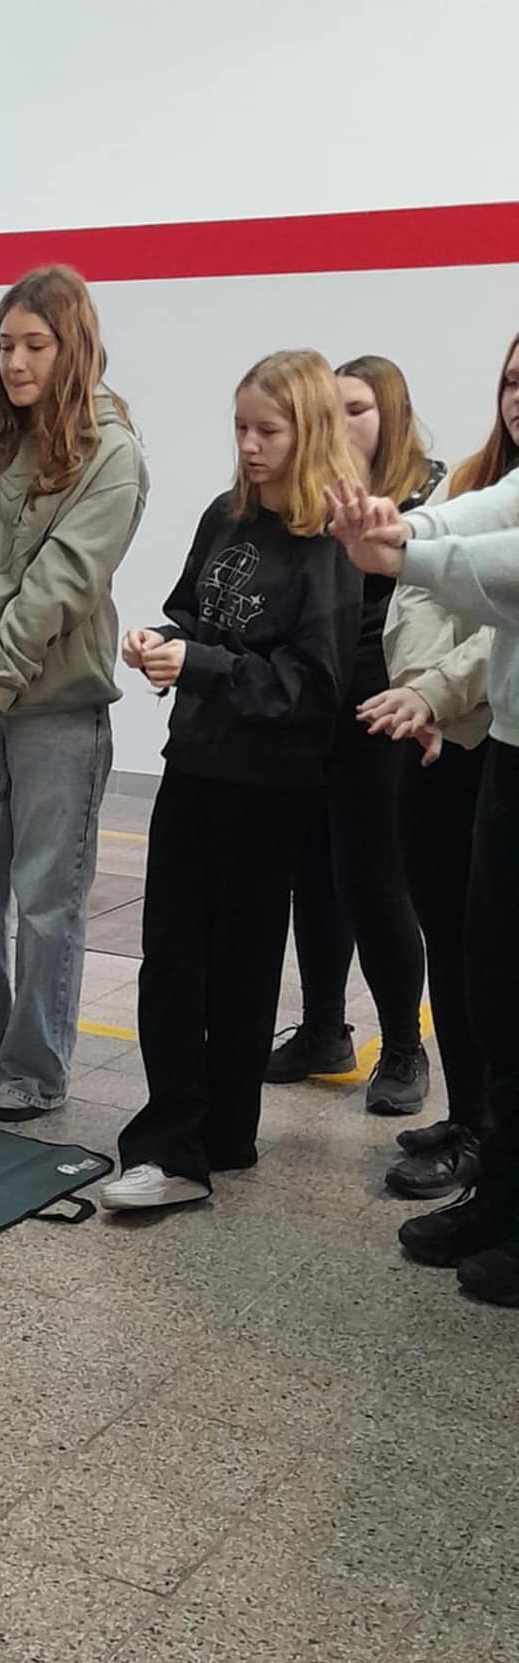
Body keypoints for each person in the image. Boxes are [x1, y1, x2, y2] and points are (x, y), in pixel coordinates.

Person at [100, 349, 361, 1212]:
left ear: (308, 432)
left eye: (268, 432)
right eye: (242, 428)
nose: (249, 446)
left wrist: (202, 665)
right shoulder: (227, 514)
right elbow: (192, 612)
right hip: (197, 764)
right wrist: (160, 643)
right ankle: (181, 1138)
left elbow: (312, 689)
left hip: (270, 786)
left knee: (239, 968)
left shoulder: (327, 545)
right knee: (173, 957)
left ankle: (208, 1140)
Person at [0, 266, 149, 1121]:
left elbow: (64, 582)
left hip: (59, 709)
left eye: (35, 345)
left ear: (72, 347)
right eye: (5, 345)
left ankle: (33, 1069)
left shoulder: (111, 453)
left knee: (48, 897)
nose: (14, 362)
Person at [325, 431, 519, 1305]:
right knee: (495, 989)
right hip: (509, 744)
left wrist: (407, 550)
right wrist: (408, 528)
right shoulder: (490, 481)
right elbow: (493, 510)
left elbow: (503, 559)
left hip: (491, 737)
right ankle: (500, 1198)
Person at [356, 332, 516, 1201]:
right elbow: (418, 591)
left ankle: (492, 1139)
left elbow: (494, 617)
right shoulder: (476, 486)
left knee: (493, 959)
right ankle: (473, 1117)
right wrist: (418, 686)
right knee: (457, 951)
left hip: (484, 738)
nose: (517, 398)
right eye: (510, 382)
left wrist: (437, 693)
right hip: (428, 737)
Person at [265, 356, 441, 1112]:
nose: (340, 425)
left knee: (373, 879)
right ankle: (323, 1030)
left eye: (358, 409)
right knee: (313, 874)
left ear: (391, 415)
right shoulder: (313, 500)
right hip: (316, 701)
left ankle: (403, 1045)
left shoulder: (428, 499)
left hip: (386, 705)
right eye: (330, 411)